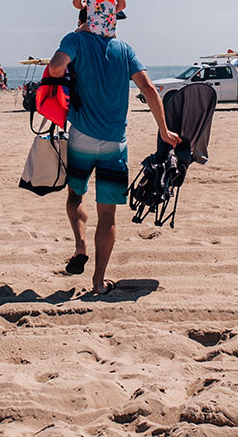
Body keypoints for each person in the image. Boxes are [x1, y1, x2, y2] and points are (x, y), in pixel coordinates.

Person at [46, 30, 179, 295]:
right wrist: (164, 129)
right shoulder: (125, 49)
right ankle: (98, 282)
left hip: (80, 139)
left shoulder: (76, 40)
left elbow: (56, 66)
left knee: (75, 196)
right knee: (107, 215)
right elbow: (148, 88)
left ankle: (80, 245)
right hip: (114, 144)